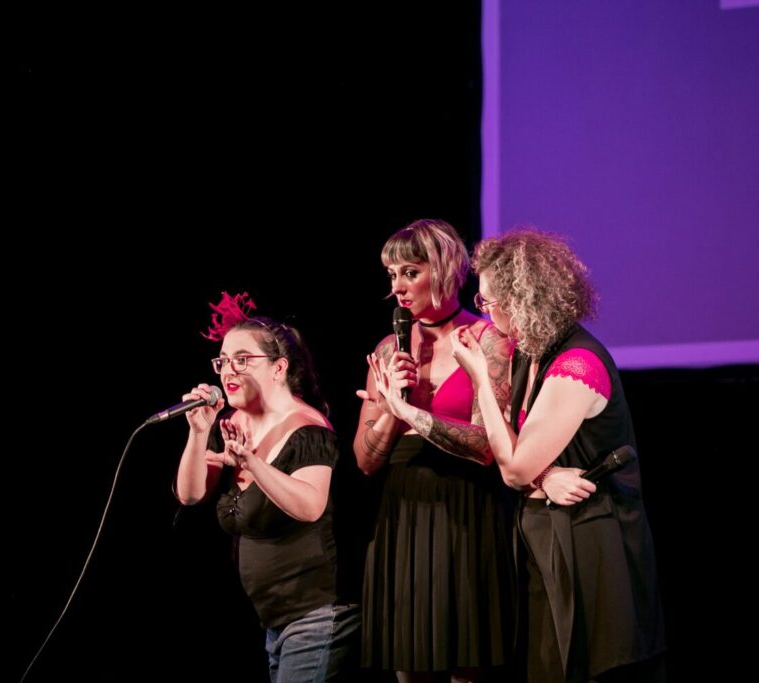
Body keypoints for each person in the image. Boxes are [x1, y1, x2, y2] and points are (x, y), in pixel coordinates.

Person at [449, 229, 666, 682]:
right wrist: (545, 475)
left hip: (588, 537)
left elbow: (513, 468)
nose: (484, 312)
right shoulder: (530, 353)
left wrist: (480, 381)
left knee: (588, 664)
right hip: (543, 530)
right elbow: (512, 447)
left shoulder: (577, 364)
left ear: (522, 299)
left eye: (489, 302)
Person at [353, 219, 515, 682]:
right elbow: (365, 461)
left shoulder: (487, 341)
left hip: (466, 512)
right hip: (402, 515)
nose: (398, 288)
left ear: (444, 270)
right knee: (410, 663)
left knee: (466, 663)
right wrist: (389, 411)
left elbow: (486, 445)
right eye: (391, 276)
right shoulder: (388, 350)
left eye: (409, 272)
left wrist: (413, 416)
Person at [175, 291, 360, 683]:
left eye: (242, 360)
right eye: (223, 361)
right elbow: (190, 494)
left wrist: (252, 464)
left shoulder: (307, 429)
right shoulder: (230, 423)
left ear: (278, 369)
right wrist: (198, 433)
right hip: (274, 623)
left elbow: (310, 506)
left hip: (318, 616)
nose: (228, 371)